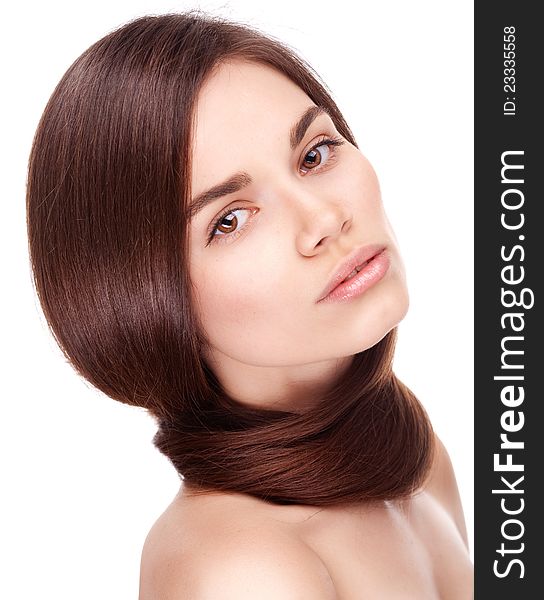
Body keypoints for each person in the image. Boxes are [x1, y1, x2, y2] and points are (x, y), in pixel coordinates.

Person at [26, 11, 473, 599]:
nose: (323, 220)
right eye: (230, 220)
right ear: (141, 300)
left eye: (314, 154)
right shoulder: (239, 570)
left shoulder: (411, 455)